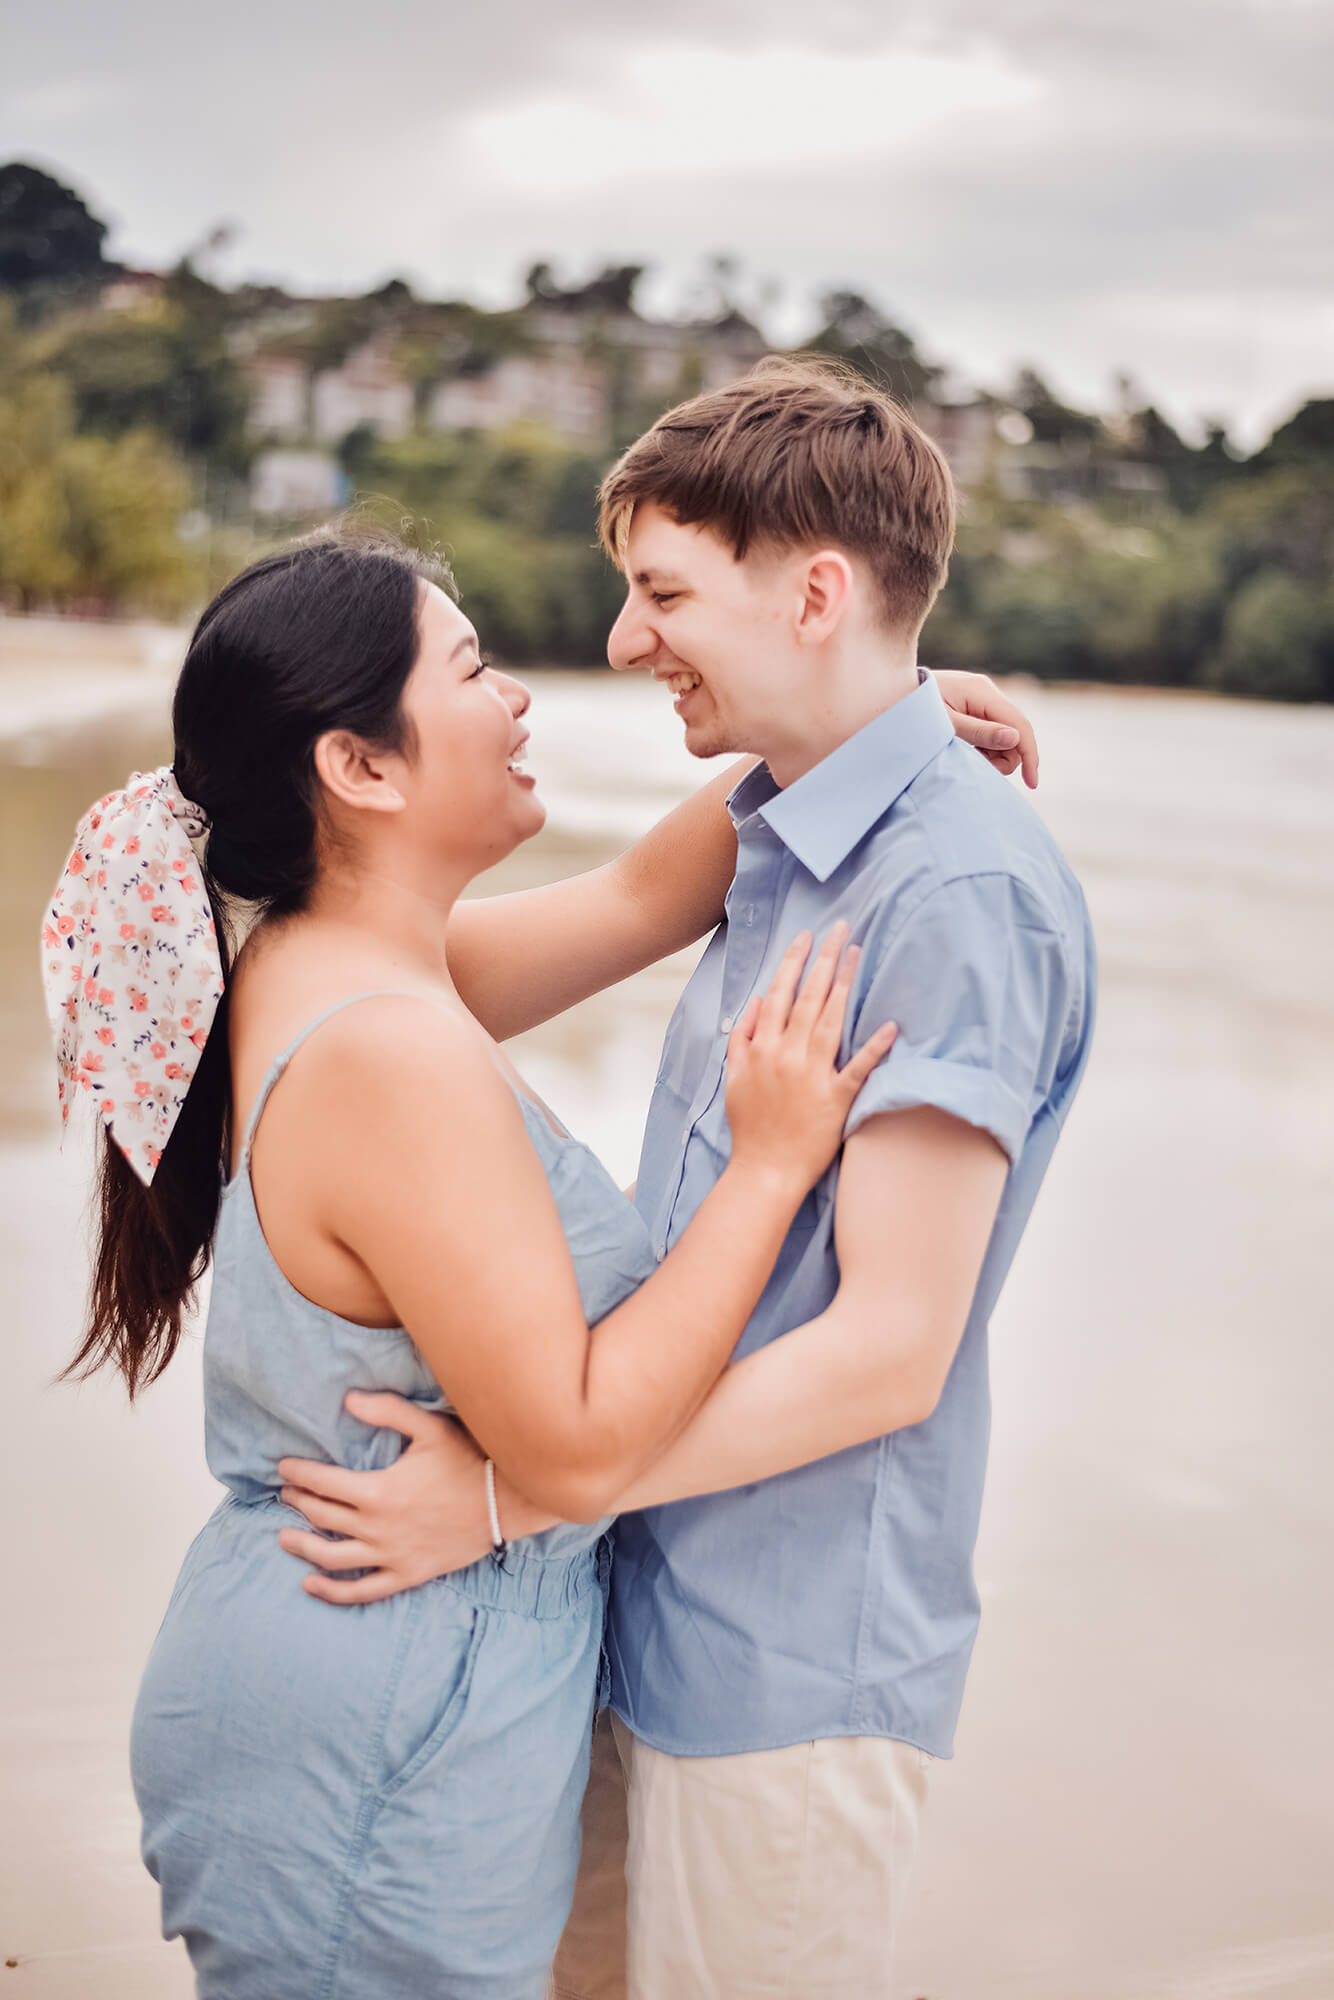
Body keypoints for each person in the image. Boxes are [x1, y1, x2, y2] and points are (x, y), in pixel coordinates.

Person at [41, 528, 1025, 2000]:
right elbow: (569, 1440)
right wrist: (765, 1171)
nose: (515, 701)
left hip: (358, 1682)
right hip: (376, 1726)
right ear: (361, 768)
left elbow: (639, 898)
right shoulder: (385, 1048)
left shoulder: (330, 966)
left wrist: (873, 713)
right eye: (473, 669)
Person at [276, 361, 1096, 2000]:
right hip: (628, 1614)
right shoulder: (782, 835)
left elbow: (892, 1348)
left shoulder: (954, 888)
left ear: (811, 593)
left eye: (660, 595)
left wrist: (511, 1493)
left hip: (782, 1670)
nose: (624, 643)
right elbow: (502, 947)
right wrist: (882, 714)